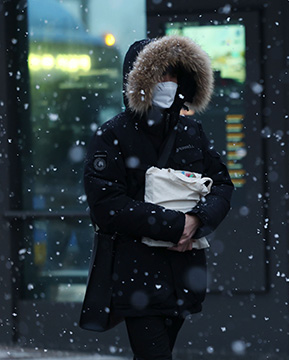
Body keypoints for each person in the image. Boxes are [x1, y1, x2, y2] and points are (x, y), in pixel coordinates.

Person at [83, 36, 234, 359]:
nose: (167, 83)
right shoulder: (113, 135)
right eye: (159, 75)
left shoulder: (191, 132)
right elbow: (106, 206)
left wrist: (197, 221)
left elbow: (222, 185)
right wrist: (174, 225)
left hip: (183, 274)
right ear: (139, 80)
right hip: (137, 275)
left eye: (172, 75)